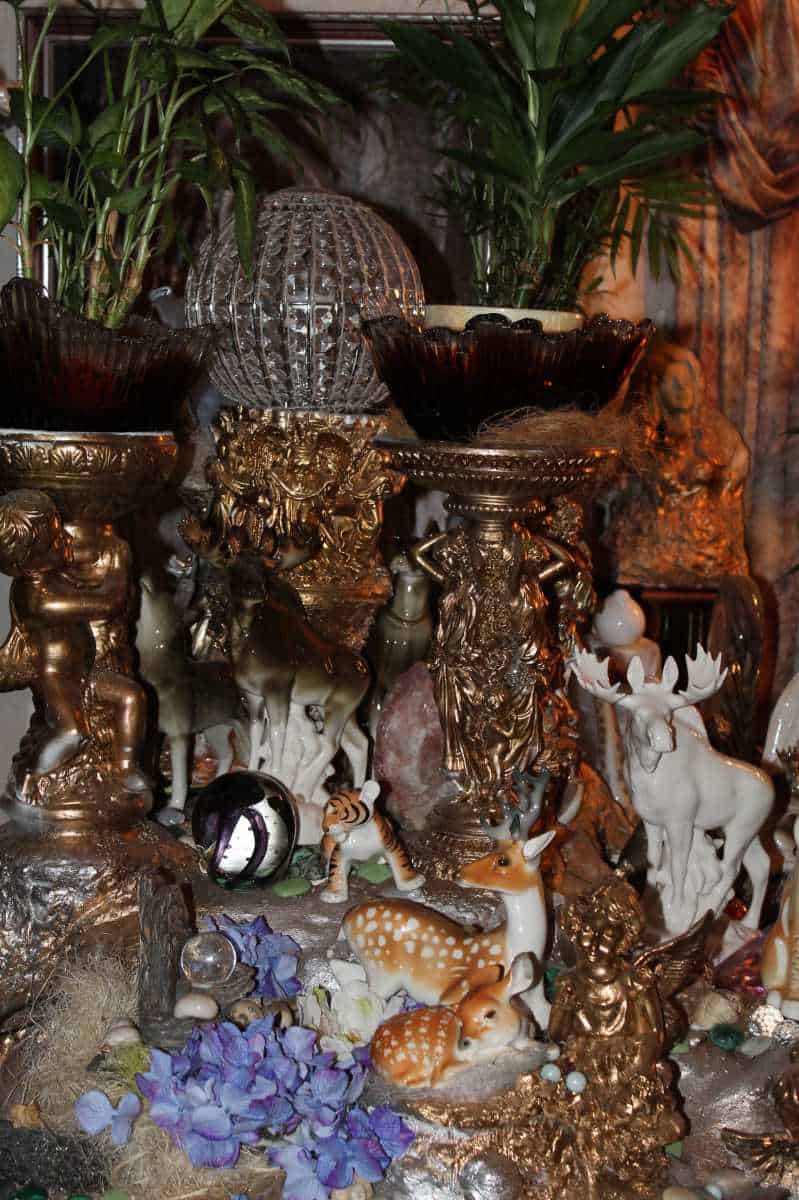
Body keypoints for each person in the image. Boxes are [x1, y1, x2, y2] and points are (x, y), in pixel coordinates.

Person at [0, 489, 147, 789]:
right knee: (71, 733)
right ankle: (30, 777)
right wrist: (119, 566)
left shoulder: (48, 574)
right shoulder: (40, 599)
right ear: (29, 561)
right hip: (57, 679)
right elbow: (108, 603)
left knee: (132, 697)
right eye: (55, 541)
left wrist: (103, 550)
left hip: (82, 669)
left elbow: (79, 561)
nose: (66, 540)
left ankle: (125, 768)